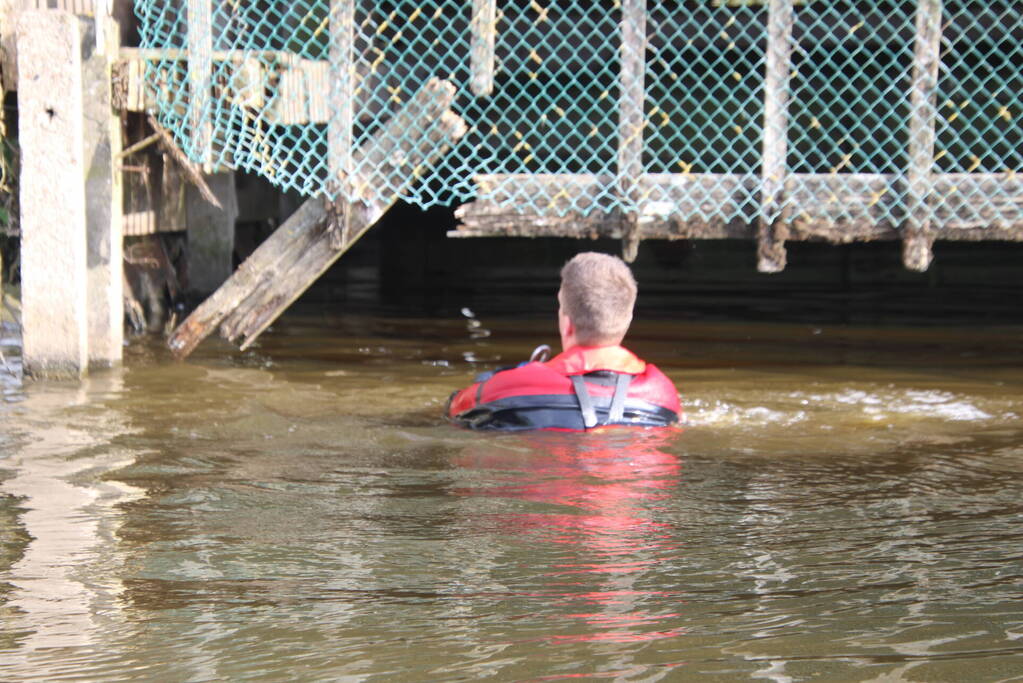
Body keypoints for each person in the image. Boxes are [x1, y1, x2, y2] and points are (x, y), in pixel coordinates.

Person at [446, 252, 681, 431]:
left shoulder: (502, 387)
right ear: (628, 319)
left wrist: (497, 377)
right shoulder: (664, 393)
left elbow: (455, 408)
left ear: (566, 322)